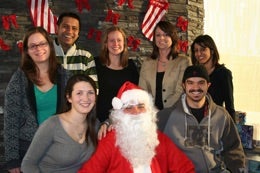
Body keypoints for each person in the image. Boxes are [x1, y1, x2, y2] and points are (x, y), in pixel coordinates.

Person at [78, 81, 195, 173]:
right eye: (129, 107)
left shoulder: (159, 139)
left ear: (149, 110)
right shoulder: (110, 141)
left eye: (140, 106)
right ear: (120, 114)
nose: (136, 112)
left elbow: (185, 168)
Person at [4, 26, 71, 173]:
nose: (38, 49)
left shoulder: (65, 76)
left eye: (42, 44)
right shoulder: (19, 79)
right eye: (33, 46)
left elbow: (76, 113)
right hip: (28, 150)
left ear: (49, 45)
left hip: (58, 150)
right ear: (27, 51)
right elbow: (10, 121)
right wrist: (12, 159)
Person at [157, 65, 246, 173]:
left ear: (208, 85)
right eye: (190, 83)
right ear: (183, 85)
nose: (196, 87)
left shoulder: (221, 115)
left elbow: (233, 150)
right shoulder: (165, 117)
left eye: (201, 82)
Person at [21, 74, 99, 172]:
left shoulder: (95, 125)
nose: (86, 98)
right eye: (79, 93)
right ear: (69, 97)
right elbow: (28, 164)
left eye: (90, 93)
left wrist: (108, 124)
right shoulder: (52, 125)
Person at [139, 20, 191, 110]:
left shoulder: (183, 62)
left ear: (172, 37)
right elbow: (142, 90)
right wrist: (151, 111)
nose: (161, 38)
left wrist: (165, 112)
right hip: (151, 114)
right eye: (158, 35)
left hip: (175, 113)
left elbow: (181, 90)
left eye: (166, 34)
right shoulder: (147, 63)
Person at [94, 26, 139, 123]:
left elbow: (135, 94)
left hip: (124, 120)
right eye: (112, 40)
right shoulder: (96, 64)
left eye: (119, 40)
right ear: (106, 44)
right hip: (99, 120)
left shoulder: (130, 66)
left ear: (124, 44)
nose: (116, 44)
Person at [191, 35, 235, 120]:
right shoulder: (194, 74)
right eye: (196, 50)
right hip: (194, 122)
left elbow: (230, 106)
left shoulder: (224, 74)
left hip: (215, 122)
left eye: (203, 49)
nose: (199, 54)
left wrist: (231, 131)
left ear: (212, 51)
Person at [54, 12, 98, 86]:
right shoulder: (45, 53)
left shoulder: (85, 57)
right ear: (57, 28)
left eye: (74, 28)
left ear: (78, 33)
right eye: (65, 26)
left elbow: (93, 90)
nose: (70, 31)